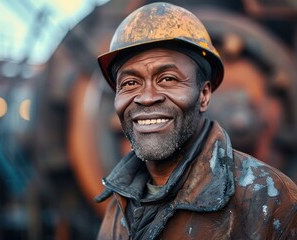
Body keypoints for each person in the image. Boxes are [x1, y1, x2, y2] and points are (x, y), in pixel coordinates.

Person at [95, 2, 297, 239]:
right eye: (130, 83)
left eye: (168, 79)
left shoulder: (272, 202)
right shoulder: (119, 205)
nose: (147, 98)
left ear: (204, 95)